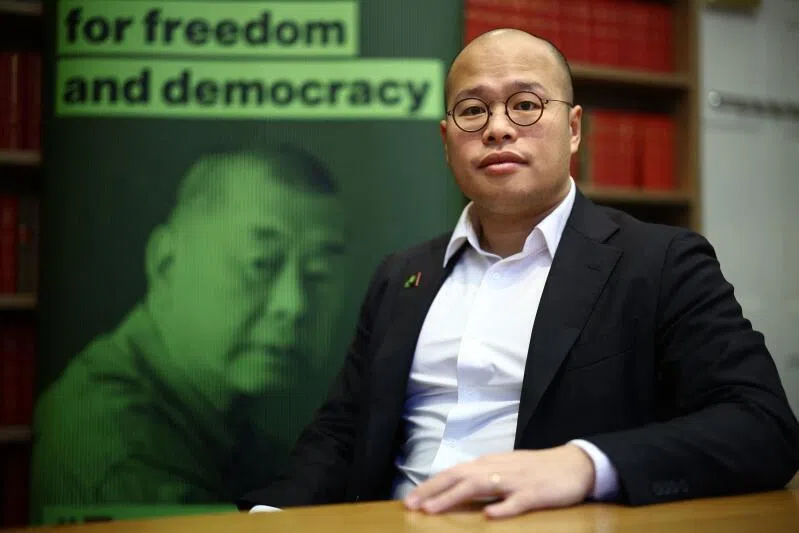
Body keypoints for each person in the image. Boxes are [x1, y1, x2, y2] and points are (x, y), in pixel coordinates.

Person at [237, 29, 799, 519]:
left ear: (573, 129)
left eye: (526, 105)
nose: (498, 128)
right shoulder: (401, 276)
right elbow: (340, 433)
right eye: (473, 110)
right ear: (446, 140)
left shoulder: (660, 261)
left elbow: (762, 426)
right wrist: (270, 516)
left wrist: (584, 465)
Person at [32, 146, 347, 509]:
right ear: (166, 261)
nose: (293, 305)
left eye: (319, 274)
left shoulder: (228, 427)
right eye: (260, 264)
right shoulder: (116, 450)